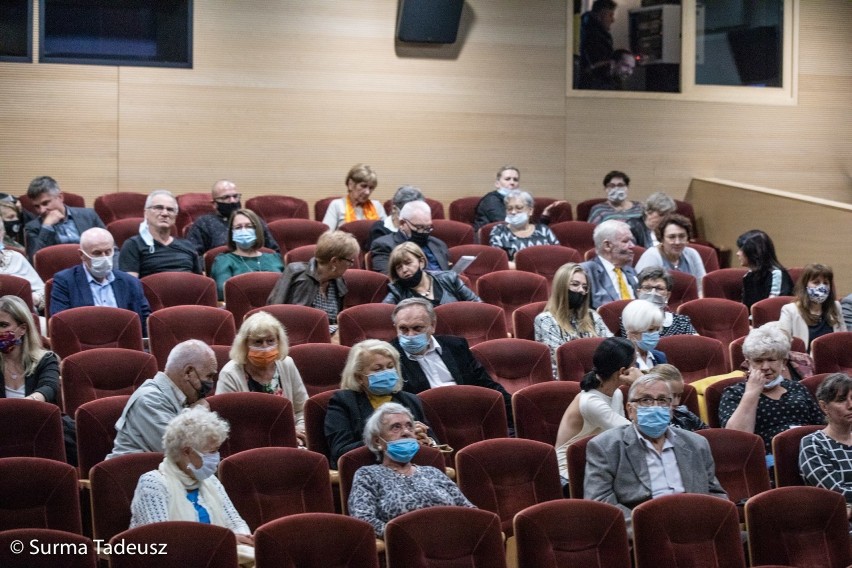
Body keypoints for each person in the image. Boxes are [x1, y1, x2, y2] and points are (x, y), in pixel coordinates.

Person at [584, 374, 727, 531]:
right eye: (646, 400)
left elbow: (716, 494)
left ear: (671, 409)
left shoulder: (696, 444)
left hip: (696, 529)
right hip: (644, 534)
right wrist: (650, 530)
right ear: (630, 410)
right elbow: (600, 502)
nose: (655, 407)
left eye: (662, 400)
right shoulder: (606, 446)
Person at [129, 406, 254, 548]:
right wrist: (222, 542)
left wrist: (245, 539)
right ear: (187, 451)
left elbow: (235, 523)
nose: (216, 458)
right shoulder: (153, 484)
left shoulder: (209, 480)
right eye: (211, 452)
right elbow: (161, 543)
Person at [348, 402, 475, 537]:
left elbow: (469, 510)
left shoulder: (433, 472)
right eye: (396, 427)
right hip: (407, 549)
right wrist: (407, 537)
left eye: (409, 426)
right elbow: (363, 519)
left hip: (453, 541)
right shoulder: (368, 475)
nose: (406, 432)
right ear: (378, 441)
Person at [389, 298, 513, 427]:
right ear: (395, 328)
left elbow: (487, 385)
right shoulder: (389, 358)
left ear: (432, 326)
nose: (410, 335)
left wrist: (514, 413)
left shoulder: (456, 346)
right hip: (428, 425)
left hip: (471, 417)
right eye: (403, 329)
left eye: (417, 328)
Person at [324, 339, 435, 469]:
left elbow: (435, 445)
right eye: (378, 369)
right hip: (367, 471)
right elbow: (340, 452)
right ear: (359, 377)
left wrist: (426, 441)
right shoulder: (343, 402)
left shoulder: (411, 400)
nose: (386, 373)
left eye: (390, 367)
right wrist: (387, 440)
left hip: (415, 470)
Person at [719, 325, 824, 454]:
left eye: (771, 360)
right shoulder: (734, 393)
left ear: (783, 362)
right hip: (766, 458)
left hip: (810, 452)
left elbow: (823, 426)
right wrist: (752, 392)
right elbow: (736, 439)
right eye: (758, 361)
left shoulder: (797, 387)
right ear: (748, 364)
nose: (765, 367)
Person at [108, 340, 217, 459]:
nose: (211, 384)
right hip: (133, 474)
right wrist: (198, 414)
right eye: (209, 376)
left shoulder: (184, 399)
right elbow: (182, 454)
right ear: (188, 372)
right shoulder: (149, 400)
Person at [216, 311, 308, 445]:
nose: (265, 347)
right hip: (247, 446)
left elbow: (302, 409)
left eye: (270, 341)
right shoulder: (230, 374)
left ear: (279, 341)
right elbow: (225, 425)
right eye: (258, 342)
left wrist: (299, 430)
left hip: (289, 442)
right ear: (245, 345)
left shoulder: (287, 364)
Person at [554, 337, 640, 481]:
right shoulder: (591, 402)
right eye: (634, 364)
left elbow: (622, 438)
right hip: (568, 473)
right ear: (622, 371)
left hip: (596, 461)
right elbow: (634, 433)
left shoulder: (616, 393)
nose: (637, 369)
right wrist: (640, 384)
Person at [50, 228, 150, 333]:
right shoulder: (65, 281)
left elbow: (144, 322)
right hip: (84, 344)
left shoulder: (130, 282)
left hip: (124, 343)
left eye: (108, 252)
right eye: (97, 253)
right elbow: (60, 323)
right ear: (82, 255)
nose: (104, 257)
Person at [266, 230, 359, 335]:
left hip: (326, 336)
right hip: (296, 336)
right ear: (334, 261)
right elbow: (274, 313)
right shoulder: (296, 274)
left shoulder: (338, 282)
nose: (351, 265)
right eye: (349, 261)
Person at [535, 262, 612, 377]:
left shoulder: (593, 316)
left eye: (585, 287)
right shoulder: (546, 320)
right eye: (575, 284)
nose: (581, 290)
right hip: (566, 381)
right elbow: (560, 360)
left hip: (600, 378)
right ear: (561, 286)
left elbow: (613, 348)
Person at [118, 190, 202, 278]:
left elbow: (200, 282)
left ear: (175, 217)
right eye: (159, 208)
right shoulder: (133, 245)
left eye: (170, 210)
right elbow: (130, 285)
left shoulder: (187, 245)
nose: (165, 213)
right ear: (146, 213)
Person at [185, 179, 279, 255]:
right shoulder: (204, 223)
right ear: (214, 204)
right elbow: (193, 255)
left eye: (235, 196)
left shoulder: (254, 219)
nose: (233, 201)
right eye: (226, 197)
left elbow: (274, 252)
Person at [799, 373, 852, 506]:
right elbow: (836, 492)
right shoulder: (813, 444)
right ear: (824, 407)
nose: (850, 405)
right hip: (837, 520)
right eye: (841, 400)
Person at [209, 208, 284, 300]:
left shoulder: (274, 258)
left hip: (276, 307)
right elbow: (222, 291)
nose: (243, 231)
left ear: (257, 230)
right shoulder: (224, 261)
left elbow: (287, 289)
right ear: (232, 232)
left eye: (249, 226)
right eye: (238, 227)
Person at [24, 176, 106, 259]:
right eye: (37, 206)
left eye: (45, 203)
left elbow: (112, 248)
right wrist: (46, 227)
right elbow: (35, 260)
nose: (41, 210)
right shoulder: (33, 228)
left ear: (60, 197)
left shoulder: (89, 215)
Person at [0, 295, 59, 403]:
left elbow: (49, 388)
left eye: (3, 325)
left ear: (22, 329)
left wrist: (24, 404)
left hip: (36, 418)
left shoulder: (46, 359)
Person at [383, 242, 480, 305]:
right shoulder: (397, 292)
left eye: (408, 263)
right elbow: (384, 316)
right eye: (399, 267)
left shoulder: (449, 278)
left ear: (421, 262)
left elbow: (477, 304)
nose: (404, 270)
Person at [369, 200, 449, 275]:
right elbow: (390, 280)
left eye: (428, 228)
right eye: (419, 227)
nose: (424, 232)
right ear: (402, 223)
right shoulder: (384, 246)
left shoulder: (438, 244)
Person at [779, 263, 846, 351]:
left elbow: (844, 340)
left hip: (832, 361)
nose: (822, 287)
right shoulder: (790, 310)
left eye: (825, 283)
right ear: (805, 285)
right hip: (804, 362)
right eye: (816, 282)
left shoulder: (835, 307)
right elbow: (783, 345)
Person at [635, 214, 706, 296]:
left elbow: (702, 286)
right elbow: (644, 293)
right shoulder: (652, 256)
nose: (677, 242)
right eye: (672, 237)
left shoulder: (692, 254)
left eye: (682, 236)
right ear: (661, 238)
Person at [488, 189, 560, 268]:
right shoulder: (499, 231)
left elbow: (558, 257)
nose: (513, 212)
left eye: (519, 208)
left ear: (530, 211)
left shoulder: (544, 230)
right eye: (509, 208)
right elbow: (498, 262)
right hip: (513, 277)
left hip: (545, 274)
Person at [619, 267, 697, 337]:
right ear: (638, 293)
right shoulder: (629, 319)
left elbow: (698, 345)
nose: (653, 293)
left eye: (659, 288)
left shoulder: (681, 322)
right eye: (647, 288)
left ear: (668, 295)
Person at [581, 219, 637, 309]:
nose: (632, 246)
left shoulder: (631, 272)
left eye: (631, 241)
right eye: (625, 241)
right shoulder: (586, 272)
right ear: (607, 245)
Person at [736, 229, 793, 310]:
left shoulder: (776, 274)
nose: (737, 253)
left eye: (741, 249)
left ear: (753, 252)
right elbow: (746, 308)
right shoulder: (748, 276)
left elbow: (771, 309)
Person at [322, 163, 386, 231]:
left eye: (371, 188)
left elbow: (388, 233)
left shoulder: (377, 206)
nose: (367, 192)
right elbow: (325, 237)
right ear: (351, 184)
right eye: (363, 186)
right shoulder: (337, 205)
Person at [0, 221, 44, 310]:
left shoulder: (15, 258)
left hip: (20, 316)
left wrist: (33, 298)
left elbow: (43, 292)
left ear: (2, 234)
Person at [650, 363, 708, 431]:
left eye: (679, 396)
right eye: (671, 395)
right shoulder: (645, 421)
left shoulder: (685, 414)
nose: (676, 403)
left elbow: (710, 436)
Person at [578, 0, 617, 89]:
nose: (613, 20)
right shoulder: (592, 36)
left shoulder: (589, 31)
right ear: (599, 15)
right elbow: (598, 66)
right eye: (610, 15)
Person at [622, 299, 667, 370]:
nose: (655, 334)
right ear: (633, 331)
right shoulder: (622, 360)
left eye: (657, 329)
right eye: (650, 330)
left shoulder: (659, 357)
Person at [474, 165, 520, 231]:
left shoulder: (519, 200)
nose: (512, 182)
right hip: (489, 237)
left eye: (515, 180)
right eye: (507, 179)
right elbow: (505, 222)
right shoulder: (491, 200)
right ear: (497, 184)